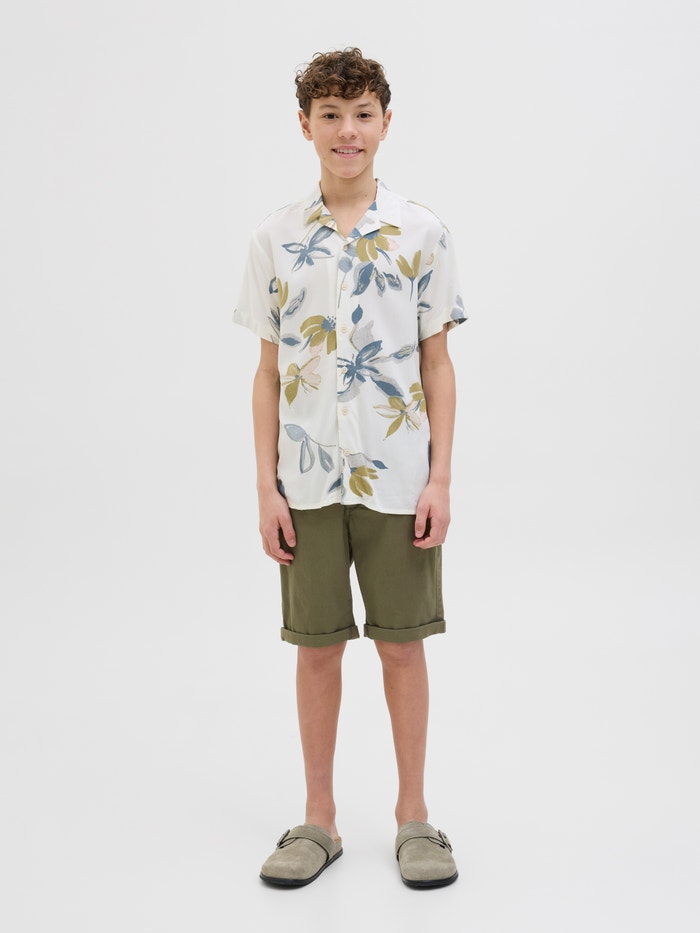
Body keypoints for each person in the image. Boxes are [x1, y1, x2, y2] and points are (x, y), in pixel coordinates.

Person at [233, 47, 467, 888]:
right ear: (305, 126)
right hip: (306, 482)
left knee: (402, 647)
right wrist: (266, 487)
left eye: (362, 113)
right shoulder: (275, 238)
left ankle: (415, 818)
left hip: (396, 479)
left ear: (385, 122)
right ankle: (319, 820)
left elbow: (437, 363)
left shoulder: (422, 232)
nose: (347, 130)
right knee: (317, 649)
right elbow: (267, 373)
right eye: (329, 115)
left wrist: (439, 478)